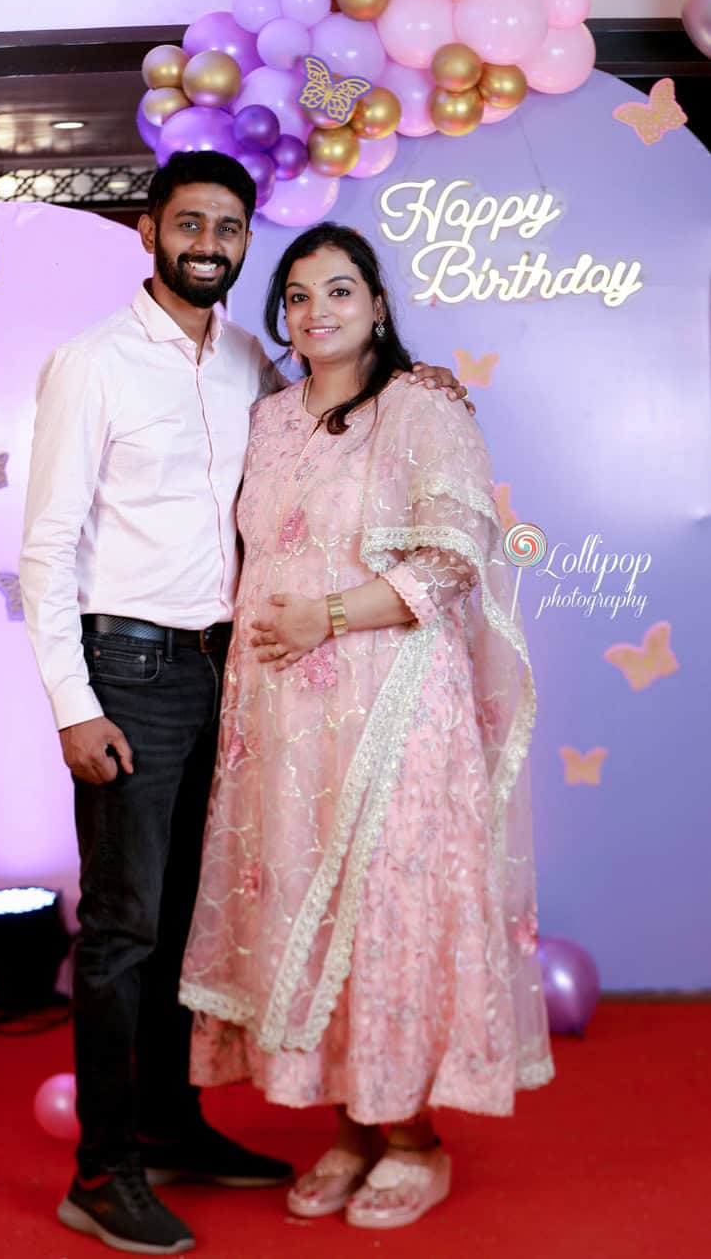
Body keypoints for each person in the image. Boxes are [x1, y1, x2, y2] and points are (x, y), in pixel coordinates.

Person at [19, 152, 470, 1255]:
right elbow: (45, 545)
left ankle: (175, 1127)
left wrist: (426, 384)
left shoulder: (253, 369)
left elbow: (337, 458)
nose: (209, 242)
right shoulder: (91, 363)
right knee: (124, 930)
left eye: (228, 226)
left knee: (184, 921)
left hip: (233, 672)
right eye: (189, 224)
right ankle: (104, 1167)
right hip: (127, 666)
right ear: (149, 231)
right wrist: (74, 703)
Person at [179, 223, 555, 1232]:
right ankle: (353, 1124)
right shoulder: (271, 421)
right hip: (285, 719)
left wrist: (329, 617)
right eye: (297, 296)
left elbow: (454, 554)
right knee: (305, 901)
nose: (317, 312)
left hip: (392, 707)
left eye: (339, 291)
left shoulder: (420, 405)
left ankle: (414, 1139)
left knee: (389, 910)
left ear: (377, 306)